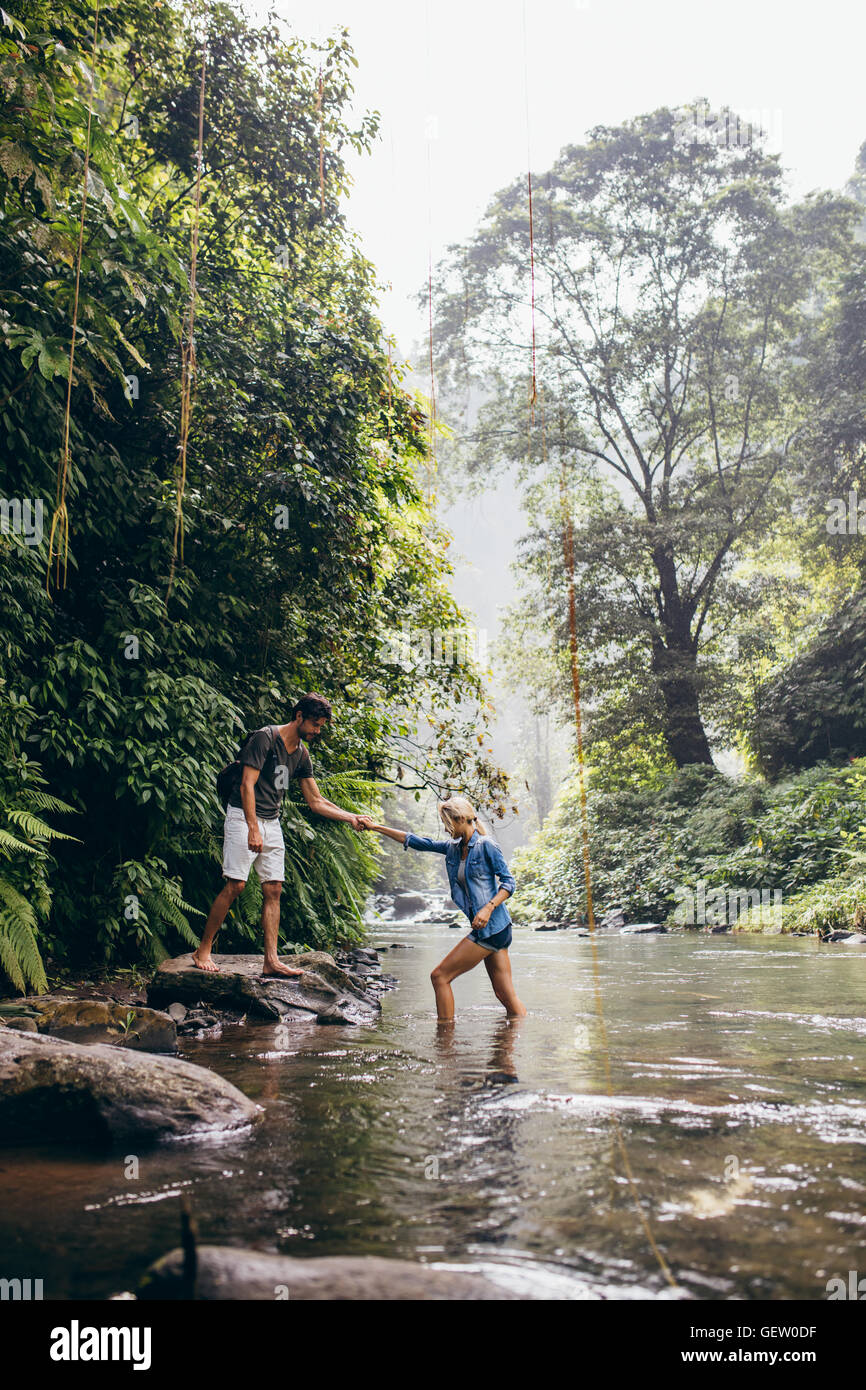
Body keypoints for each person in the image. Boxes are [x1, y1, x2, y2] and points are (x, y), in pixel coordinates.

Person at [192, 693, 368, 976]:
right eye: (315, 724)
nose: (317, 731)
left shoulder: (300, 753)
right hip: (242, 816)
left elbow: (316, 801)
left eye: (321, 726)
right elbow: (246, 785)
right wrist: (252, 828)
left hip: (272, 822)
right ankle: (203, 950)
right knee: (236, 885)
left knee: (274, 889)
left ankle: (271, 961)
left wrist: (351, 817)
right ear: (299, 716)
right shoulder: (265, 738)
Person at [361, 796, 526, 1021]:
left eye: (448, 824)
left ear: (460, 819)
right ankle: (514, 1046)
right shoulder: (454, 849)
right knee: (505, 996)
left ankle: (445, 1044)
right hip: (495, 930)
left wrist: (488, 908)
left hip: (492, 928)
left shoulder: (487, 845)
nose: (446, 829)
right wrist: (375, 827)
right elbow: (415, 841)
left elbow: (509, 883)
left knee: (439, 977)